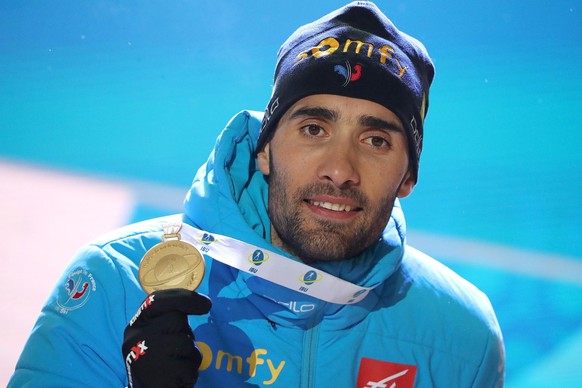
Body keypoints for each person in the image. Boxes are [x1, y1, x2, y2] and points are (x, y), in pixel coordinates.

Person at [9, 2, 505, 387]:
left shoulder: (462, 335)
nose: (339, 169)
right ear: (264, 150)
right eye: (313, 129)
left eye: (376, 141)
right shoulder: (115, 280)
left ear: (408, 177)